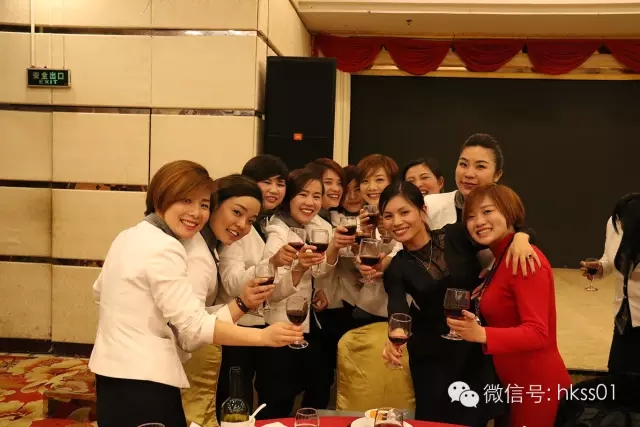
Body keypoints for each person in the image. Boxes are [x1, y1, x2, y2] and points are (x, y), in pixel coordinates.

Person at [89, 160, 303, 427]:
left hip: (110, 374)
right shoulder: (168, 247)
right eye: (186, 200)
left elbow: (99, 292)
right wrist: (262, 336)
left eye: (203, 204)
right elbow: (191, 330)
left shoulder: (130, 235)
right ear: (161, 195)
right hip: (145, 379)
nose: (196, 213)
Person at [380, 181, 536, 427]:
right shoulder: (397, 267)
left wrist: (521, 237)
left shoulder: (455, 235)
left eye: (404, 212)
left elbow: (509, 234)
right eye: (388, 216)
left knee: (475, 418)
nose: (397, 222)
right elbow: (397, 308)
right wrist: (394, 336)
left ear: (422, 211)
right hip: (433, 356)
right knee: (437, 422)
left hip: (473, 344)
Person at [447, 183, 571, 427]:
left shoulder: (523, 259)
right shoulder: (501, 258)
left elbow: (538, 333)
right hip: (511, 385)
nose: (478, 222)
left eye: (487, 211)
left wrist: (482, 334)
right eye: (470, 216)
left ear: (509, 212)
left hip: (535, 386)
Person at [181, 171, 286, 426]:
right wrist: (254, 324)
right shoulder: (198, 256)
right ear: (214, 204)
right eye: (236, 212)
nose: (242, 225)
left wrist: (243, 303)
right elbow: (190, 328)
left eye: (250, 220)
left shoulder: (210, 246)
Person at [215, 155, 291, 422]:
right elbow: (232, 282)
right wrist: (271, 263)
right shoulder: (236, 229)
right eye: (266, 182)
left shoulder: (267, 224)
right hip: (234, 324)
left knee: (271, 392)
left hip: (261, 322)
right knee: (235, 396)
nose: (274, 190)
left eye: (280, 183)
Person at [581, 193, 640, 379]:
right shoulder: (615, 224)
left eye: (623, 222)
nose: (619, 225)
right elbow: (610, 257)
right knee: (617, 371)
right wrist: (600, 267)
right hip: (623, 313)